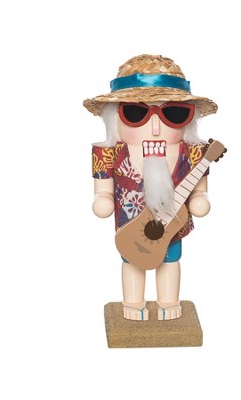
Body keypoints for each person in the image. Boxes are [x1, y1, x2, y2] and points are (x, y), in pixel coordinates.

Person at [83, 54, 218, 321]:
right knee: (131, 260)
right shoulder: (109, 152)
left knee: (170, 257)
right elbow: (103, 188)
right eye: (136, 113)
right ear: (114, 119)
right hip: (130, 223)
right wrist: (103, 198)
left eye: (173, 114)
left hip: (172, 226)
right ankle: (133, 302)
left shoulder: (193, 153)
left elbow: (199, 190)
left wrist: (200, 198)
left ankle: (169, 301)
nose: (155, 128)